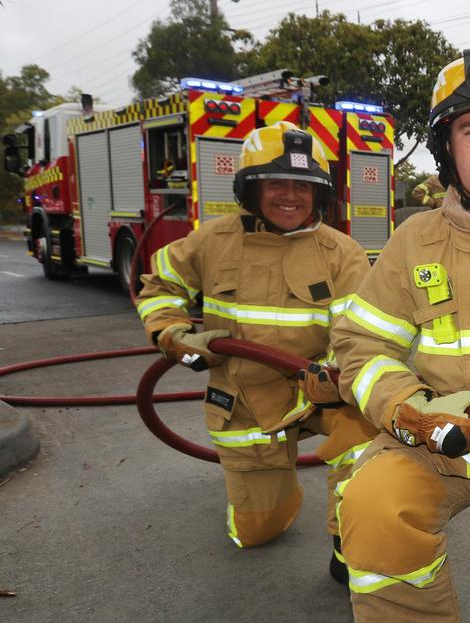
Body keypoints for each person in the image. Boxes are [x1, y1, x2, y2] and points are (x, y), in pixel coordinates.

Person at [330, 49, 470, 623]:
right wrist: (409, 410)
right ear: (445, 147)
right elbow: (362, 344)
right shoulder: (414, 239)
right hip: (438, 435)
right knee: (373, 502)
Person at [135, 121, 379, 582]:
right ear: (250, 188)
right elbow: (160, 285)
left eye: (303, 185)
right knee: (258, 530)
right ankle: (272, 497)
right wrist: (172, 332)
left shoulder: (341, 252)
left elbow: (358, 331)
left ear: (319, 193)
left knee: (367, 437)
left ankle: (351, 547)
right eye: (277, 183)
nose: (291, 195)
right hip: (245, 398)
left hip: (320, 390)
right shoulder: (213, 241)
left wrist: (341, 374)